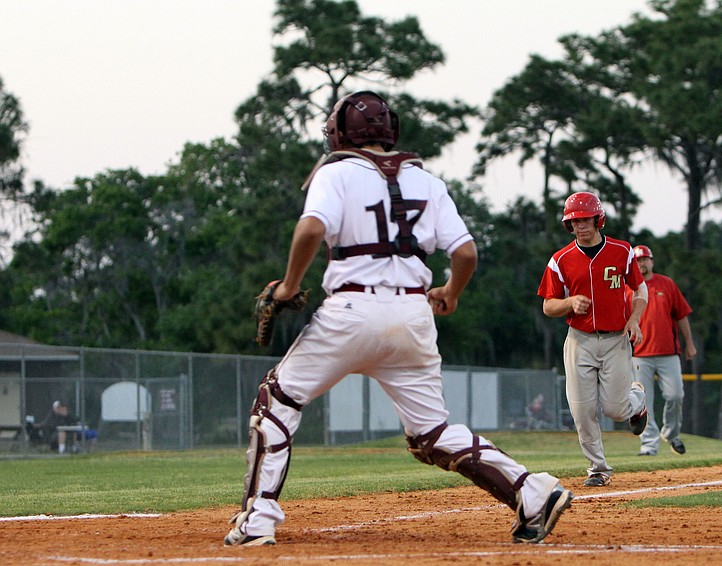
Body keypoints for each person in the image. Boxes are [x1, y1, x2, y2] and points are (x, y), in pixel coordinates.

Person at [223, 91, 573, 547]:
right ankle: (532, 490)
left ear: (343, 132)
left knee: (279, 400)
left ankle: (257, 520)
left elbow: (311, 228)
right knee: (432, 433)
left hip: (351, 311)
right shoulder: (426, 180)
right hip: (413, 313)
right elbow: (465, 252)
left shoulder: (337, 171)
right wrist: (449, 292)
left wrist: (288, 287)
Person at [537, 192, 649, 487]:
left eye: (585, 220)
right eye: (574, 221)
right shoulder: (560, 260)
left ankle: (637, 401)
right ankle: (598, 469)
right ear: (568, 225)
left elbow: (640, 291)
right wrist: (569, 302)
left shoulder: (621, 251)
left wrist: (634, 319)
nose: (581, 226)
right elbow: (548, 305)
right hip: (579, 340)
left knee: (615, 409)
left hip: (615, 339)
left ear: (598, 219)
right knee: (582, 410)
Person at [631, 245, 697, 456]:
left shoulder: (666, 284)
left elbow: (681, 315)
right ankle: (649, 445)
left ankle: (670, 433)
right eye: (638, 260)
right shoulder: (627, 288)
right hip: (639, 354)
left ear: (652, 261)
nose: (642, 264)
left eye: (645, 259)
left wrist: (690, 343)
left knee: (675, 395)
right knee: (643, 402)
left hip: (668, 352)